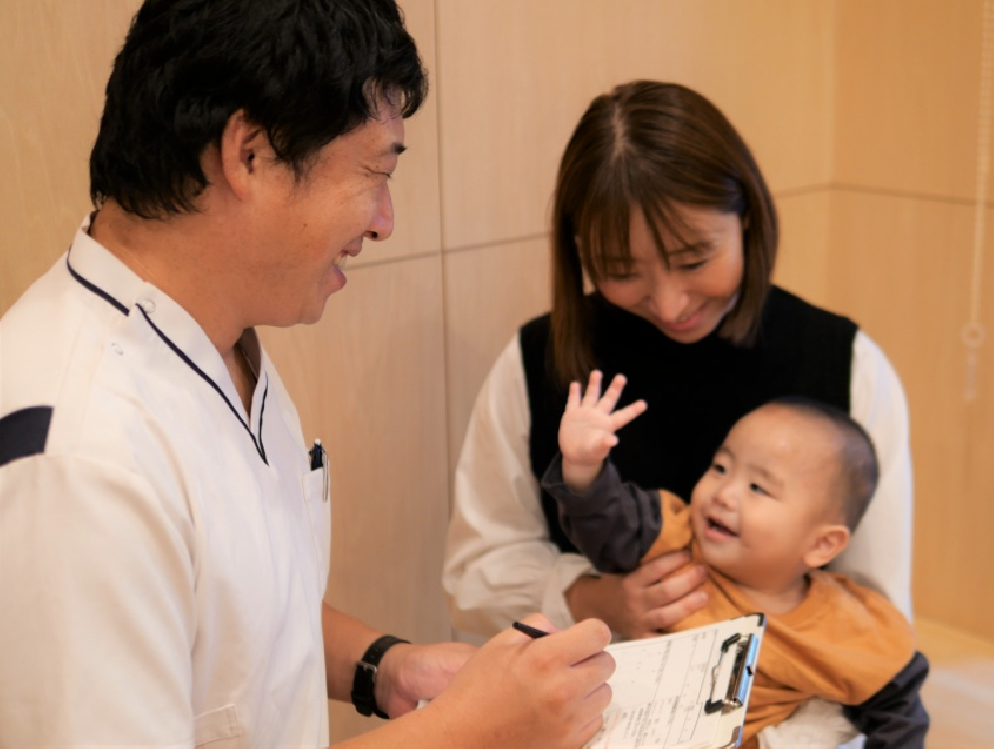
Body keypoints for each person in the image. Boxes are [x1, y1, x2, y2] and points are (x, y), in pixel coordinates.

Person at [0, 1, 615, 747]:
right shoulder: (81, 460)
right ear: (249, 153)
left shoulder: (214, 339)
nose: (384, 220)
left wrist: (385, 669)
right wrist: (468, 731)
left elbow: (222, 605)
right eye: (373, 172)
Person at [442, 79, 927, 739]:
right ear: (579, 250)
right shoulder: (539, 360)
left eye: (694, 258)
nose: (669, 304)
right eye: (622, 269)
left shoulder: (846, 365)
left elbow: (877, 620)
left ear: (747, 215)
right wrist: (591, 597)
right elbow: (473, 576)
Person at [544, 374, 929, 747]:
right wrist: (583, 468)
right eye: (720, 468)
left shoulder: (848, 627)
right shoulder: (673, 538)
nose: (724, 493)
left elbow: (897, 711)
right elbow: (607, 524)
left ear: (822, 545)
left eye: (758, 487)